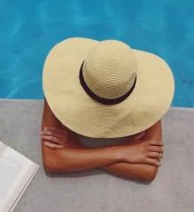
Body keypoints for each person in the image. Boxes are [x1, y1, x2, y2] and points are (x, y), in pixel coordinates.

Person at [40, 38, 175, 182]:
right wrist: (123, 151)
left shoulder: (149, 97)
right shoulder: (59, 87)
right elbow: (52, 162)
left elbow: (147, 171)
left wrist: (76, 148)